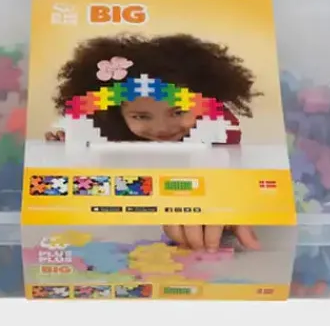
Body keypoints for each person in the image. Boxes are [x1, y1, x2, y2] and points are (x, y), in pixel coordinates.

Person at [45, 33, 262, 253]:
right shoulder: (106, 138)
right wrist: (66, 145)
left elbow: (227, 177)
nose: (162, 128)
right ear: (116, 113)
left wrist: (217, 199)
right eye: (141, 116)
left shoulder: (218, 131)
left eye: (178, 112)